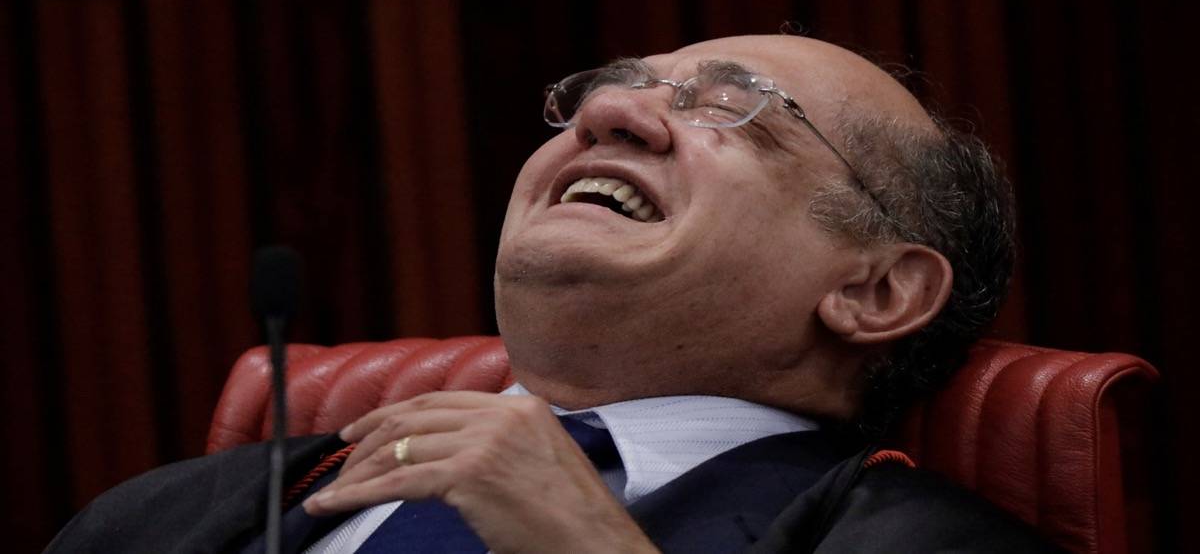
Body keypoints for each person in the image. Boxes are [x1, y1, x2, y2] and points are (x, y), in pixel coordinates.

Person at [48, 35, 1053, 552]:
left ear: (876, 290)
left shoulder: (926, 542)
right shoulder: (177, 513)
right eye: (609, 87)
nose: (610, 112)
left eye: (735, 109)